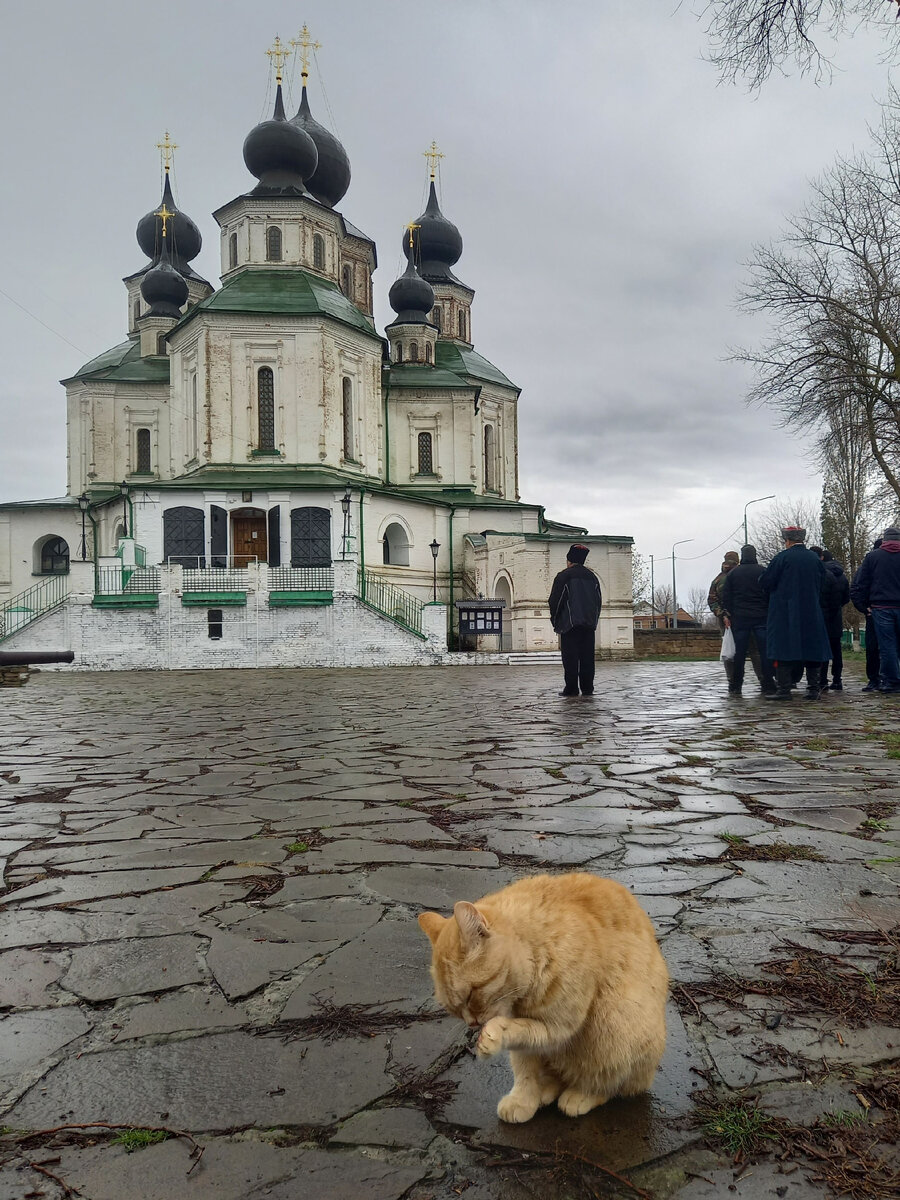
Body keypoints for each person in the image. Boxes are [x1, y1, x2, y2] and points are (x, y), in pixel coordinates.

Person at [759, 526, 831, 701]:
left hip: (784, 610)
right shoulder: (814, 559)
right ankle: (813, 689)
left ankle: (784, 690)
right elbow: (824, 582)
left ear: (788, 540)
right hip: (811, 610)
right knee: (812, 646)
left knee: (783, 647)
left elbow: (766, 581)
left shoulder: (782, 558)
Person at [850, 526, 900, 693]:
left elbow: (861, 583)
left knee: (887, 646)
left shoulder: (873, 557)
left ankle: (890, 681)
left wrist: (864, 607)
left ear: (884, 540)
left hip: (881, 607)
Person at [548, 543, 602, 697]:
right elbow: (598, 602)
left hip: (569, 624)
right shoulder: (593, 578)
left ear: (569, 560)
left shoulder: (564, 576)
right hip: (589, 624)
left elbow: (555, 601)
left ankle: (571, 688)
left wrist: (555, 620)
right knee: (587, 658)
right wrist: (594, 621)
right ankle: (587, 688)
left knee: (570, 658)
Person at [720, 545, 776, 695]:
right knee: (764, 652)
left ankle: (736, 684)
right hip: (761, 617)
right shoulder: (763, 571)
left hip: (740, 618)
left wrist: (729, 613)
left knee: (739, 653)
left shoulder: (733, 574)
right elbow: (770, 593)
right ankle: (768, 682)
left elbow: (727, 597)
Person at [708, 551, 764, 687]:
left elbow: (712, 600)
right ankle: (763, 679)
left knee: (730, 651)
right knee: (754, 649)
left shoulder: (717, 580)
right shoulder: (740, 576)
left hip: (725, 620)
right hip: (744, 616)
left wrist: (722, 614)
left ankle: (732, 680)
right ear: (737, 561)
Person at [810, 547, 850, 690]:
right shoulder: (842, 576)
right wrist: (837, 607)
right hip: (835, 616)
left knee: (822, 649)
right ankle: (837, 679)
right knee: (836, 649)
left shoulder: (820, 575)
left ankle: (822, 680)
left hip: (820, 616)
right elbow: (846, 597)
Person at [852, 538, 883, 691]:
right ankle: (880, 678)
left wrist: (864, 608)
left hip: (874, 610)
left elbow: (856, 588)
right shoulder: (870, 564)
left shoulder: (868, 564)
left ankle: (875, 679)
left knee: (873, 647)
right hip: (877, 610)